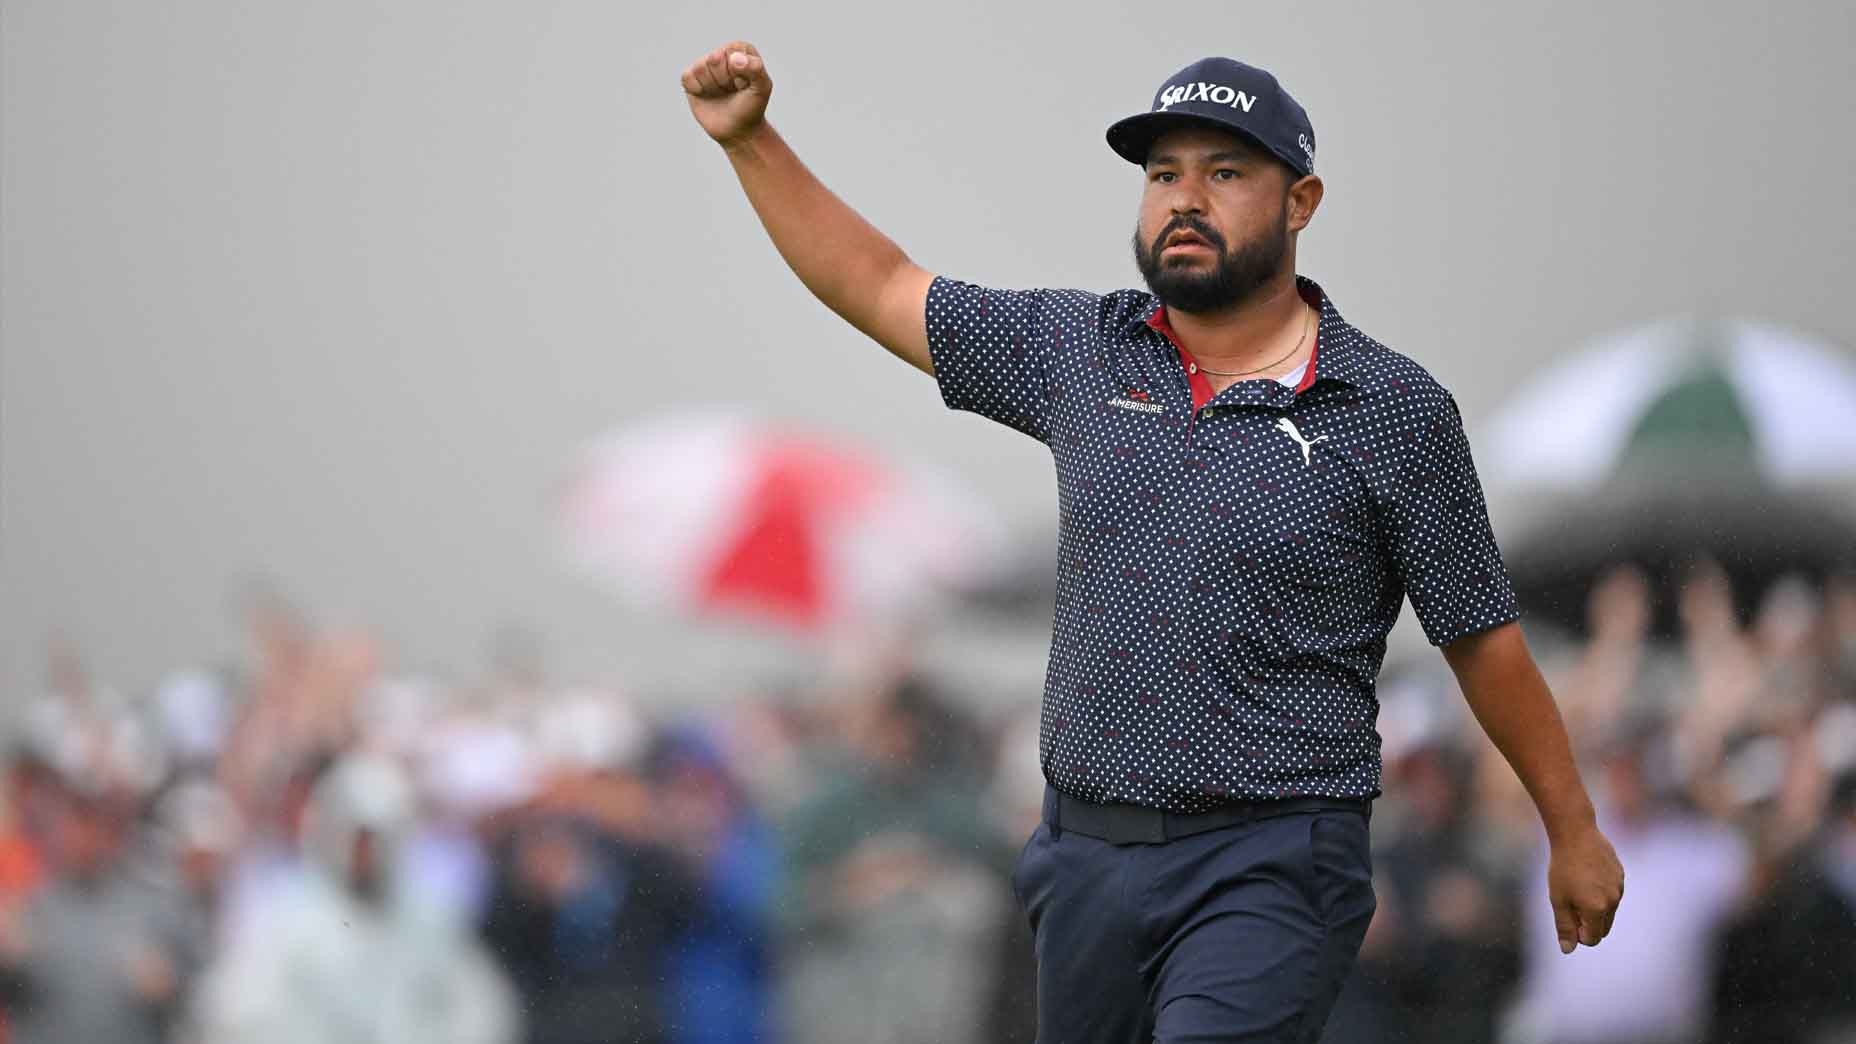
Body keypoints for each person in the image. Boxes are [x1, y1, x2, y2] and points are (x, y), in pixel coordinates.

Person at [681, 43, 1625, 1042]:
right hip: (1083, 856)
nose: (1184, 198)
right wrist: (752, 143)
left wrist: (1570, 829)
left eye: (1223, 174)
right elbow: (877, 284)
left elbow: (1480, 635)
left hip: (1272, 854)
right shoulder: (1080, 351)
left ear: (1299, 202)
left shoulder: (1390, 410)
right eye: (1162, 173)